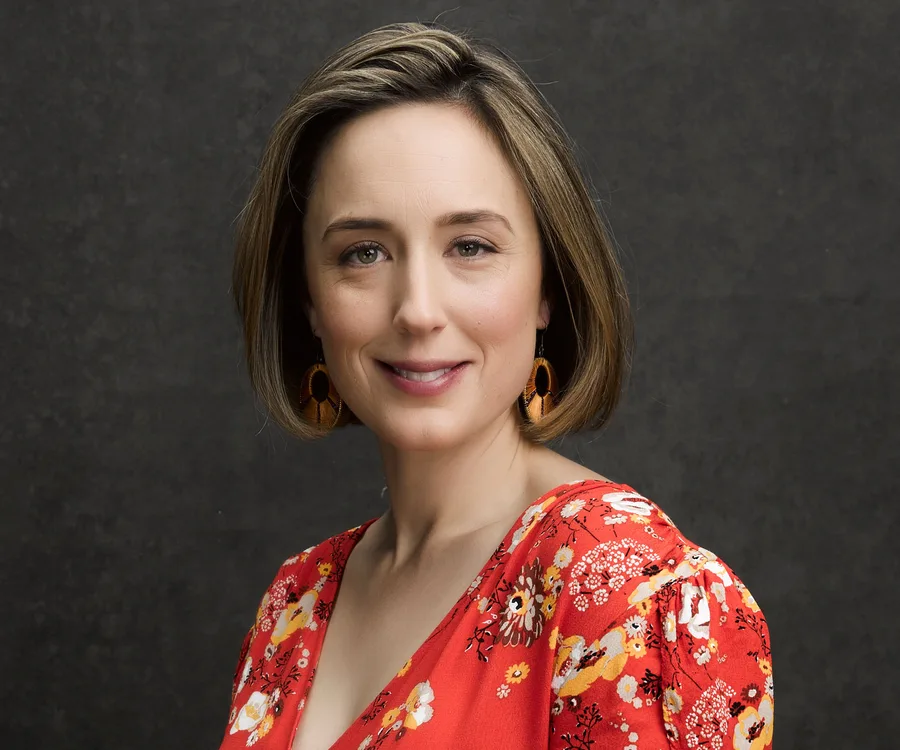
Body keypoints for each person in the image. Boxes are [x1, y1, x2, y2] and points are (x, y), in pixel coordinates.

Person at [219, 21, 774, 750]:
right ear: (311, 304)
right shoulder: (295, 602)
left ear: (548, 286)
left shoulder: (637, 595)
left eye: (470, 246)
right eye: (363, 253)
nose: (418, 309)